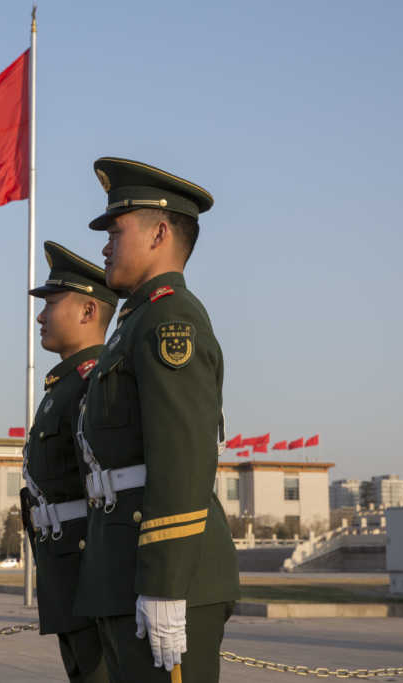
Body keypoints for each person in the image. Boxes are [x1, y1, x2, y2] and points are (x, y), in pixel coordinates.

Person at [74, 157, 239, 682]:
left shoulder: (170, 318)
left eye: (115, 231)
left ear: (159, 233)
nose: (103, 246)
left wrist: (165, 584)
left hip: (167, 573)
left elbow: (183, 456)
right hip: (125, 566)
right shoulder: (136, 321)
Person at [22, 241, 119, 683]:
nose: (41, 316)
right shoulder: (64, 386)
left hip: (89, 571)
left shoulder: (93, 384)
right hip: (66, 570)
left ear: (87, 313)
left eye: (52, 303)